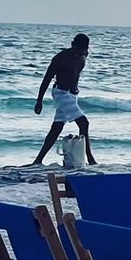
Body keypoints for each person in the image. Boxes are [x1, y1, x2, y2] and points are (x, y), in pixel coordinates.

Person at [32, 33, 96, 166]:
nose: (80, 53)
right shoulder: (60, 58)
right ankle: (90, 158)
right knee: (84, 123)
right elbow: (47, 78)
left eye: (83, 50)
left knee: (56, 128)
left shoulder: (84, 55)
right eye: (78, 49)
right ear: (73, 45)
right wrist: (39, 100)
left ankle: (38, 160)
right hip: (61, 93)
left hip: (73, 95)